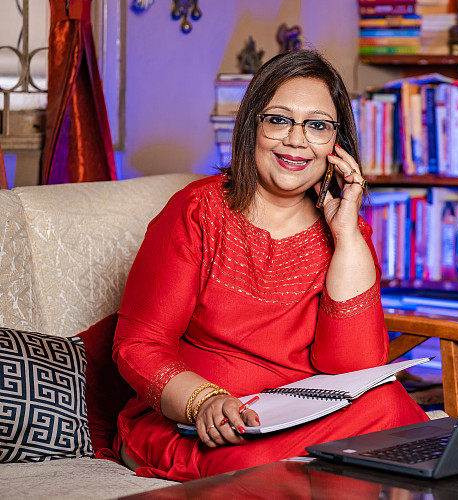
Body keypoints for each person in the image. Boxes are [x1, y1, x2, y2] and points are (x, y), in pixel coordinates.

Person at [112, 50, 429, 481]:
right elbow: (139, 345)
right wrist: (203, 401)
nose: (297, 140)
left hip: (307, 414)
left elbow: (353, 367)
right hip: (209, 423)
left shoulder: (347, 233)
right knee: (252, 464)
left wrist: (347, 235)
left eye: (317, 126)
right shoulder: (197, 212)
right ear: (252, 127)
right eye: (279, 119)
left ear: (337, 145)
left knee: (391, 405)